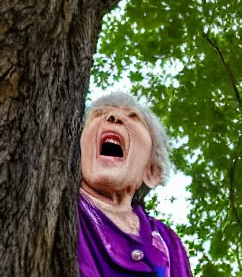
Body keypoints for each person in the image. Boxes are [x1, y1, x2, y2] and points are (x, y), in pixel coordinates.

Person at [78, 92, 192, 277]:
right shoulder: (57, 204)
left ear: (152, 171)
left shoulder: (167, 240)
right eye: (99, 114)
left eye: (133, 116)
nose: (114, 117)